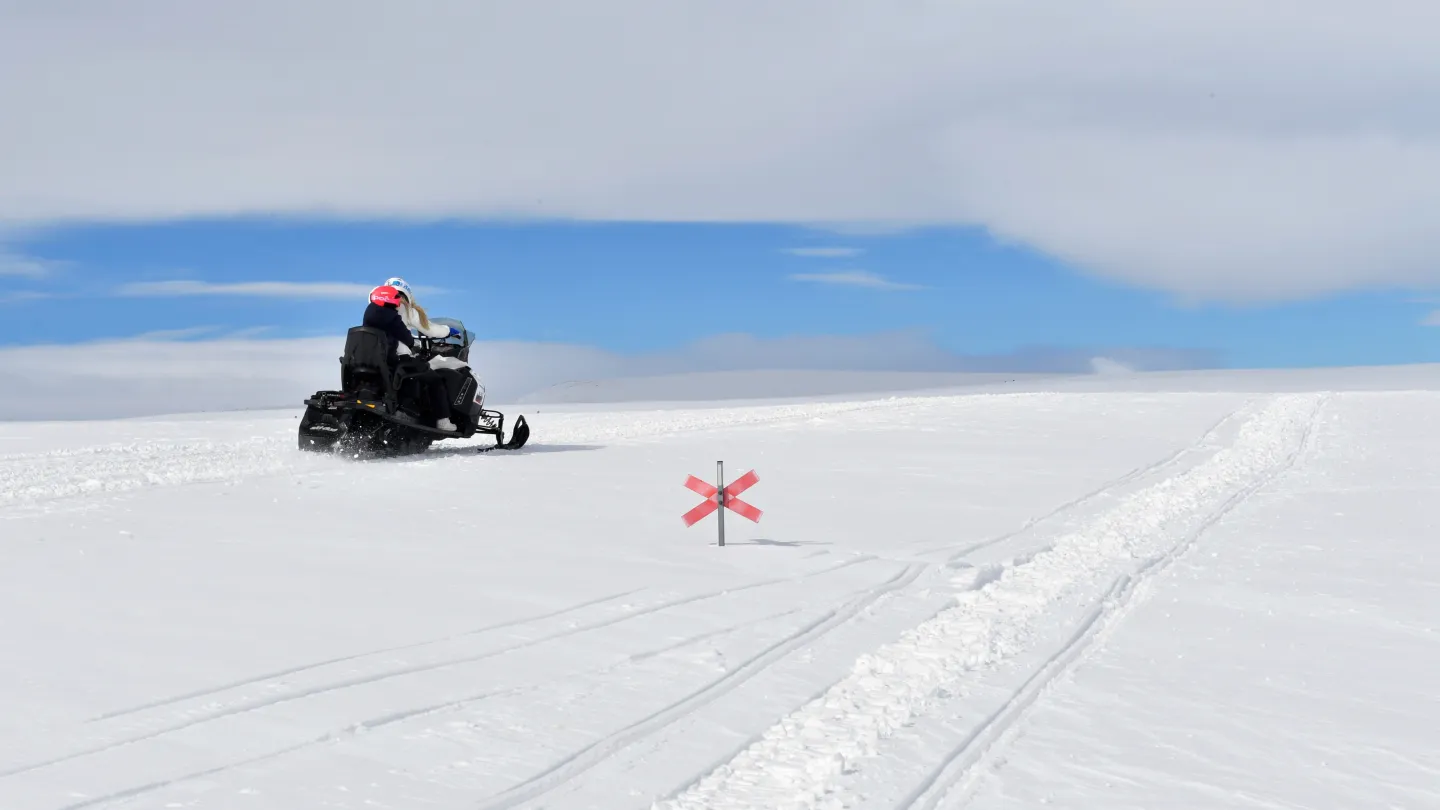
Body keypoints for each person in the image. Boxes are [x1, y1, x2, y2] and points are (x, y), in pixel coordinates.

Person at [364, 284, 456, 432]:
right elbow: (417, 333)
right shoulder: (397, 314)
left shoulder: (368, 314)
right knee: (435, 380)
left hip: (369, 361)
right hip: (399, 359)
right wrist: (447, 331)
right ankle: (443, 420)